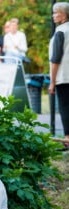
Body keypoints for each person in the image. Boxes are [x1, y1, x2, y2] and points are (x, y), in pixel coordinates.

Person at [49, 2, 69, 146]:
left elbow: (56, 59)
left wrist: (52, 81)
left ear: (64, 15)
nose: (53, 16)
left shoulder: (61, 31)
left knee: (65, 106)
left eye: (56, 13)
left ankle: (68, 138)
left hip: (64, 76)